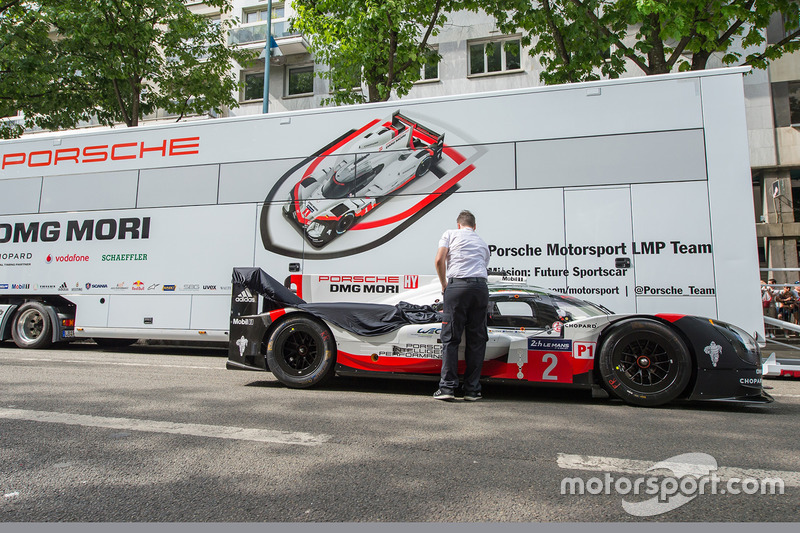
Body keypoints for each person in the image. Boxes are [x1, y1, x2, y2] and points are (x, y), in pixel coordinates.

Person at [433, 210, 490, 401]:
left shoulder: (450, 233)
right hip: (480, 288)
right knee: (477, 340)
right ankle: (472, 390)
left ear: (459, 225)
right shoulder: (482, 243)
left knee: (451, 338)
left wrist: (444, 285)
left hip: (457, 286)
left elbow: (440, 260)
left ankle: (447, 388)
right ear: (474, 227)